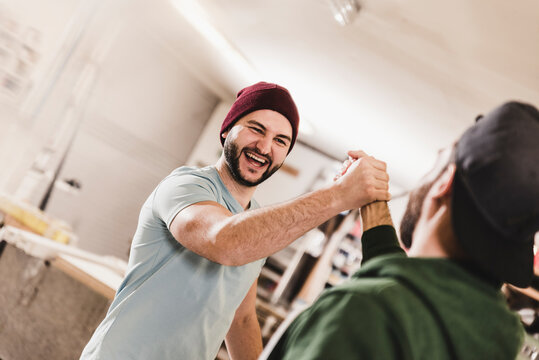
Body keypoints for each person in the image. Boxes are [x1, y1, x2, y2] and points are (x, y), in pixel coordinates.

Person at [80, 81, 391, 360]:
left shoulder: (254, 222)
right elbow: (224, 241)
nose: (265, 147)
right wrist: (337, 196)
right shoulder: (185, 186)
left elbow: (241, 318)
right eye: (256, 129)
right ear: (228, 129)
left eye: (281, 141)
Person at [265, 101, 539, 359]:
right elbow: (419, 298)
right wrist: (374, 207)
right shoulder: (499, 339)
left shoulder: (360, 314)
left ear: (445, 181)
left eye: (437, 162)